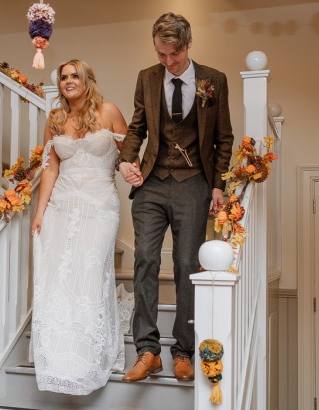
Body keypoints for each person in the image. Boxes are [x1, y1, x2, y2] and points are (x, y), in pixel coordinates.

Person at [117, 12, 234, 382]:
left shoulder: (214, 80)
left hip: (194, 181)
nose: (168, 62)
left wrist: (218, 185)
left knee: (187, 265)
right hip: (152, 181)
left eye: (175, 55)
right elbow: (136, 129)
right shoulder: (146, 78)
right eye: (161, 55)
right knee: (146, 260)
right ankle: (148, 350)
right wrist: (125, 161)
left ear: (188, 44)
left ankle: (183, 350)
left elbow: (224, 138)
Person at [30, 59, 129, 395]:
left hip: (100, 206)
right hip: (62, 207)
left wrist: (135, 172)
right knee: (61, 278)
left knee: (89, 272)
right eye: (63, 77)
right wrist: (40, 212)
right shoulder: (55, 120)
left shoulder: (109, 111)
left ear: (88, 79)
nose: (69, 81)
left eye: (75, 76)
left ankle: (90, 356)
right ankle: (59, 359)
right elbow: (50, 170)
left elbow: (129, 155)